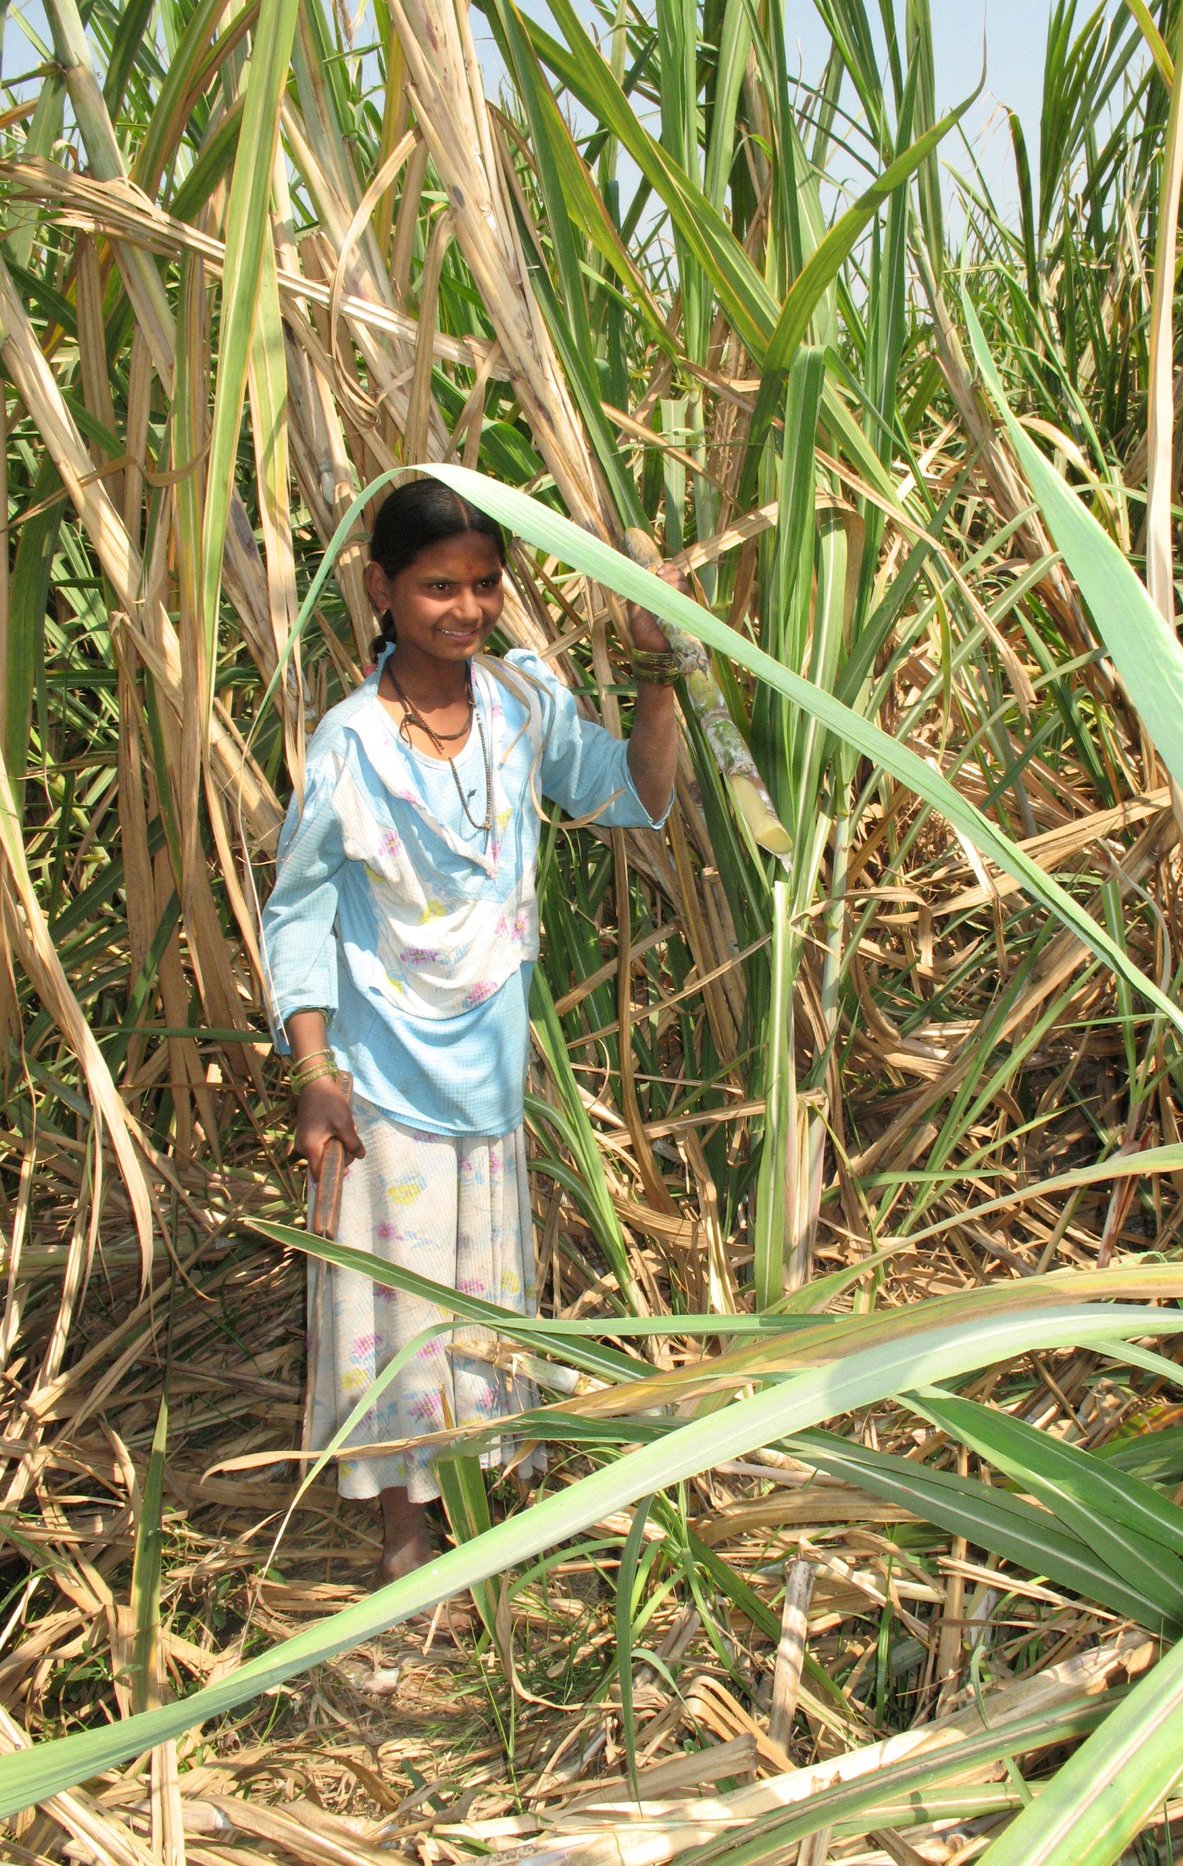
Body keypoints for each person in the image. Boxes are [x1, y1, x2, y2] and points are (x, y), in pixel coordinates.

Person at [262, 478, 680, 1584]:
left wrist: (656, 668)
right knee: (391, 1295)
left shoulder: (517, 706)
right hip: (380, 1070)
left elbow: (634, 795)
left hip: (485, 1066)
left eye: (484, 584)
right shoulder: (351, 744)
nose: (464, 607)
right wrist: (314, 1073)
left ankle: (471, 1495)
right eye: (436, 586)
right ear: (382, 591)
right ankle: (405, 1534)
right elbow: (298, 910)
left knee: (472, 1291)